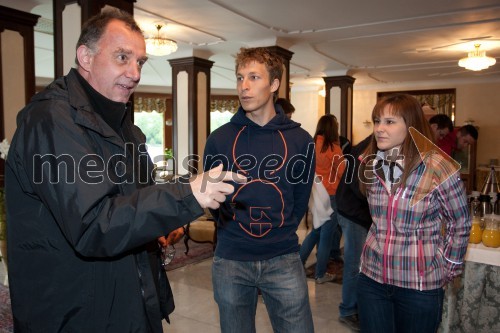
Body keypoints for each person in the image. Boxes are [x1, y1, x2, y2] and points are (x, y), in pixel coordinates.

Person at [5, 9, 244, 332]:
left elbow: (133, 199)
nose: (134, 73)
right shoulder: (51, 119)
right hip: (73, 312)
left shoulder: (123, 125)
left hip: (126, 300)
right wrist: (187, 193)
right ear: (85, 57)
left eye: (140, 62)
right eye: (122, 57)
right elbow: (94, 224)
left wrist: (159, 223)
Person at [203, 47, 316, 332]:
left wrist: (279, 230)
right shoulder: (219, 139)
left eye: (254, 77)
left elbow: (300, 198)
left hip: (283, 257)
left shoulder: (301, 140)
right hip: (231, 259)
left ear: (274, 84)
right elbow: (211, 199)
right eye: (240, 78)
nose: (244, 86)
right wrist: (232, 227)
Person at [356, 93, 471, 333]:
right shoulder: (370, 163)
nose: (379, 128)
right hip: (373, 279)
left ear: (411, 126)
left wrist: (448, 266)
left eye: (390, 122)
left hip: (418, 283)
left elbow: (460, 222)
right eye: (377, 121)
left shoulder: (439, 167)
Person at [299, 114, 345, 284]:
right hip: (330, 194)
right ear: (332, 128)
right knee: (326, 234)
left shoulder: (311, 145)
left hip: (315, 194)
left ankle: (299, 264)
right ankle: (320, 274)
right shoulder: (333, 148)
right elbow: (342, 173)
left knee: (316, 230)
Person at [336, 134, 373, 331]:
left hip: (352, 210)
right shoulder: (374, 146)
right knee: (355, 264)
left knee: (359, 263)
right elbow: (358, 184)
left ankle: (355, 307)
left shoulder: (375, 143)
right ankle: (348, 310)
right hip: (353, 212)